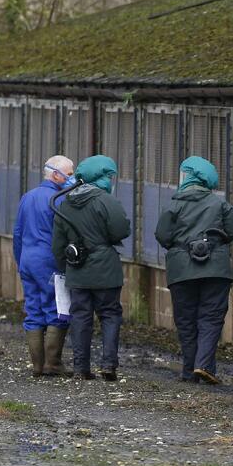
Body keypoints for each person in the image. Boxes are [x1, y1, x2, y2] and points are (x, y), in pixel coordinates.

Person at [154, 156, 233, 384]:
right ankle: (204, 365)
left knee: (186, 319)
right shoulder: (220, 204)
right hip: (215, 269)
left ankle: (189, 370)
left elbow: (162, 235)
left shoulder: (174, 204)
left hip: (181, 270)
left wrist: (180, 248)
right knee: (211, 318)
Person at [51, 155, 131, 381]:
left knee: (80, 317)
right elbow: (121, 230)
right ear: (100, 177)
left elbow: (57, 244)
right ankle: (108, 365)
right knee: (110, 315)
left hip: (77, 269)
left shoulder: (65, 203)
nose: (110, 180)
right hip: (105, 268)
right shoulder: (106, 201)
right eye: (108, 176)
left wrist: (64, 268)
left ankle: (80, 368)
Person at [13, 155, 74, 378]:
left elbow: (17, 233)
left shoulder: (27, 197)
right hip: (49, 261)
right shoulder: (58, 200)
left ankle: (37, 366)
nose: (72, 178)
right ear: (55, 174)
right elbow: (63, 235)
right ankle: (53, 364)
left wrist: (20, 261)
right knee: (56, 309)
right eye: (69, 174)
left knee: (33, 310)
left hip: (28, 259)